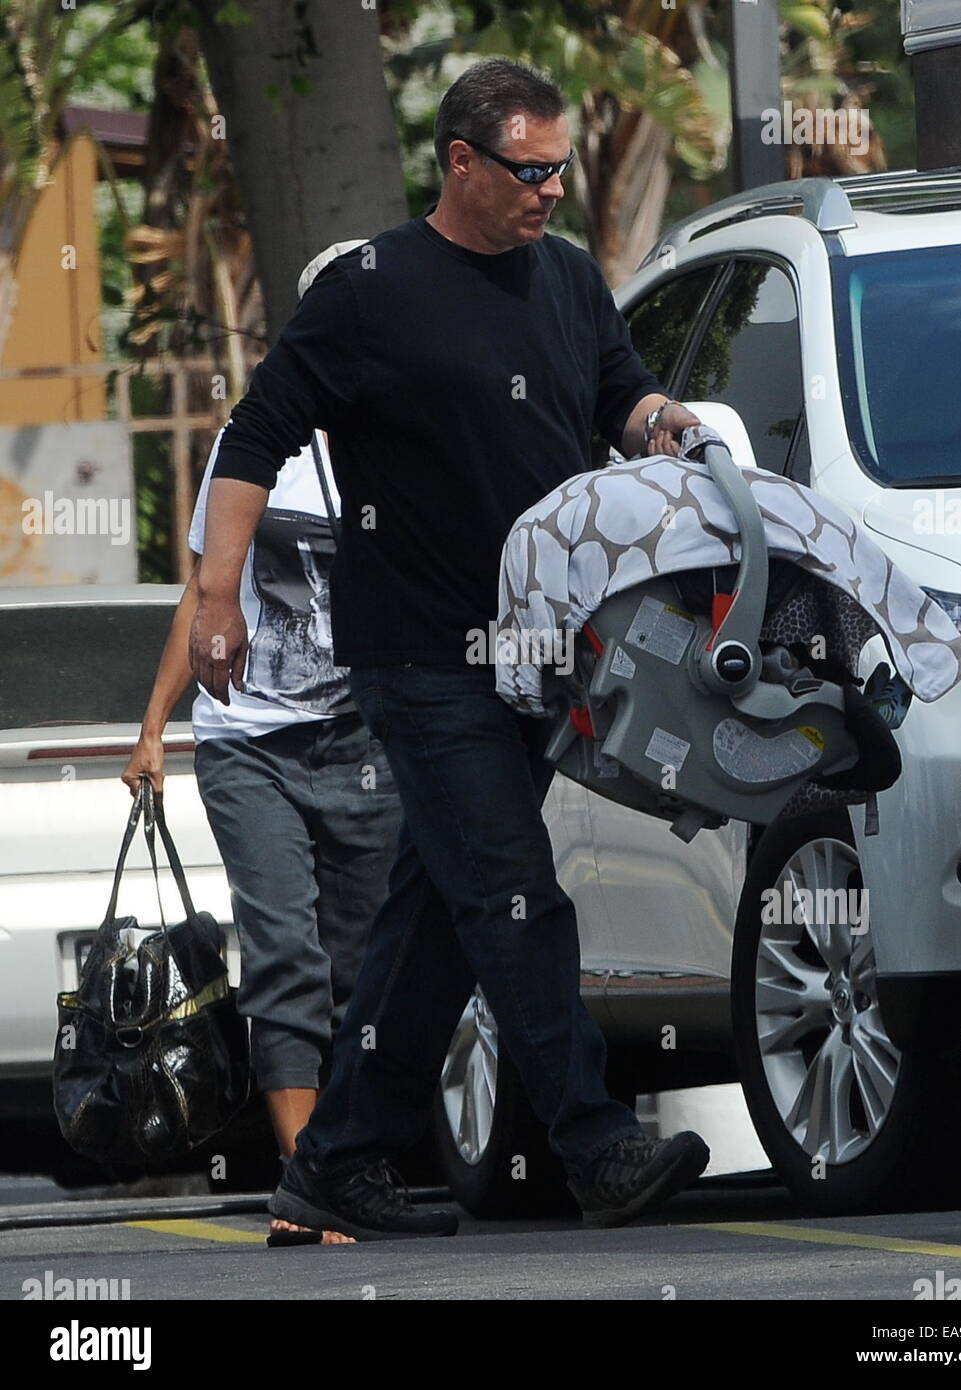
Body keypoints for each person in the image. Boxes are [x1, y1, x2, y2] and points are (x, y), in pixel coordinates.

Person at [189, 58, 710, 1241]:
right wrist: (219, 592)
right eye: (528, 169)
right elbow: (255, 434)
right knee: (517, 893)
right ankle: (594, 1140)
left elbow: (618, 395)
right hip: (421, 658)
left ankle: (337, 1159)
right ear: (461, 162)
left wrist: (663, 424)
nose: (552, 189)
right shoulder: (372, 290)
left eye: (562, 166)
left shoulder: (570, 279)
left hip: (539, 650)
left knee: (436, 911)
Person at [123, 244, 402, 1245]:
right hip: (250, 738)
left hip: (359, 730)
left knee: (367, 957)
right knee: (285, 949)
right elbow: (204, 600)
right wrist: (156, 729)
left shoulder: (403, 438)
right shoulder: (254, 441)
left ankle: (350, 1164)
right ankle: (305, 1182)